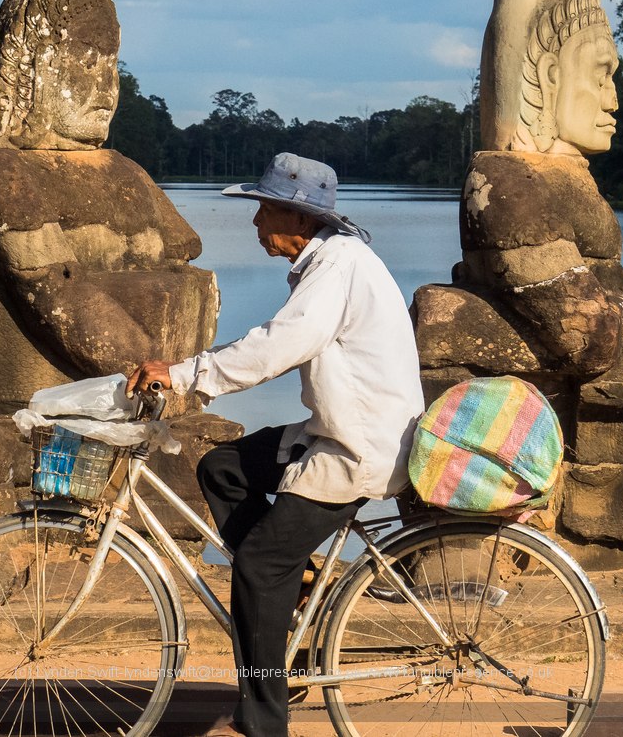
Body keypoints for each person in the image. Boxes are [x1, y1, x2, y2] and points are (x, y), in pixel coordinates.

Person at [127, 152, 424, 737]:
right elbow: (272, 340)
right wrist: (195, 370)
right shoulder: (328, 261)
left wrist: (184, 375)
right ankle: (298, 584)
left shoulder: (337, 266)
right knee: (222, 468)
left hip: (358, 447)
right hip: (340, 429)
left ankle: (265, 721)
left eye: (265, 210)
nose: (256, 221)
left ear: (300, 218)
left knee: (258, 566)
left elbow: (278, 346)